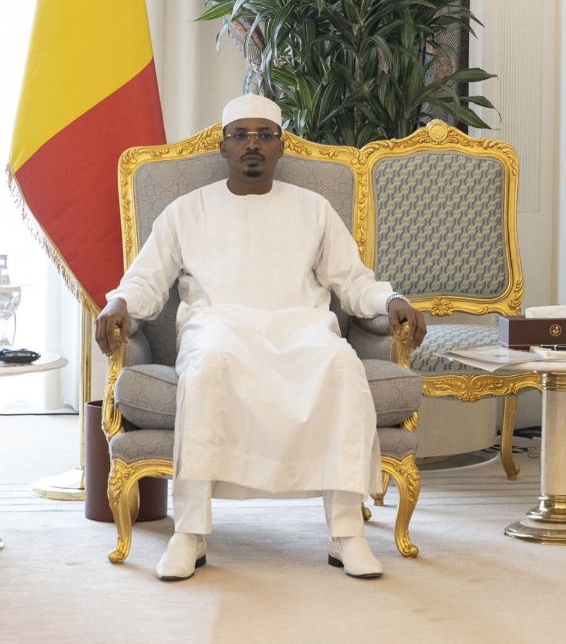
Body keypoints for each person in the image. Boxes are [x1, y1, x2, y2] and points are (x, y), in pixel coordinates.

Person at [95, 94, 428, 581]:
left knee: (340, 365)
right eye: (241, 135)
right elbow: (145, 281)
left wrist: (389, 299)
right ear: (223, 147)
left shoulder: (313, 209)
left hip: (301, 328)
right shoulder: (185, 211)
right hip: (219, 328)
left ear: (280, 146)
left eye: (264, 135)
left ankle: (346, 534)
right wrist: (118, 303)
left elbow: (352, 282)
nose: (253, 144)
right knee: (207, 367)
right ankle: (190, 532)